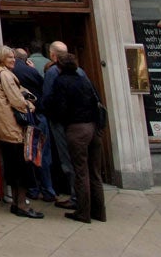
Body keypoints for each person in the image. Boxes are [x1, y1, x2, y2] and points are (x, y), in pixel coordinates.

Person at [41, 53, 107, 224]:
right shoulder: (85, 80)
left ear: (59, 66)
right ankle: (99, 211)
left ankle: (83, 212)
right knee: (95, 172)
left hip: (77, 129)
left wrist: (56, 117)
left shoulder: (61, 81)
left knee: (80, 171)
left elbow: (58, 107)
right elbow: (97, 101)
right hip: (94, 127)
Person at [0, 45, 43, 219]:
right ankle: (21, 205)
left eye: (13, 57)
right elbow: (16, 100)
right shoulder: (4, 75)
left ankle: (16, 203)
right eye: (10, 57)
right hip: (13, 127)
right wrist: (30, 105)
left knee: (13, 167)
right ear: (1, 58)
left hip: (3, 127)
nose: (13, 60)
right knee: (21, 167)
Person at [13, 46, 57, 203]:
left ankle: (33, 188)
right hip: (38, 116)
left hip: (24, 118)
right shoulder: (30, 71)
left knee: (29, 154)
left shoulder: (12, 71)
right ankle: (48, 189)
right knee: (43, 154)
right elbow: (43, 90)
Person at [42, 40, 82, 210]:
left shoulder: (52, 72)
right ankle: (85, 197)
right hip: (83, 123)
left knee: (68, 160)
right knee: (80, 161)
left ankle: (76, 196)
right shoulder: (80, 72)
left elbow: (47, 98)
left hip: (62, 123)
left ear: (52, 55)